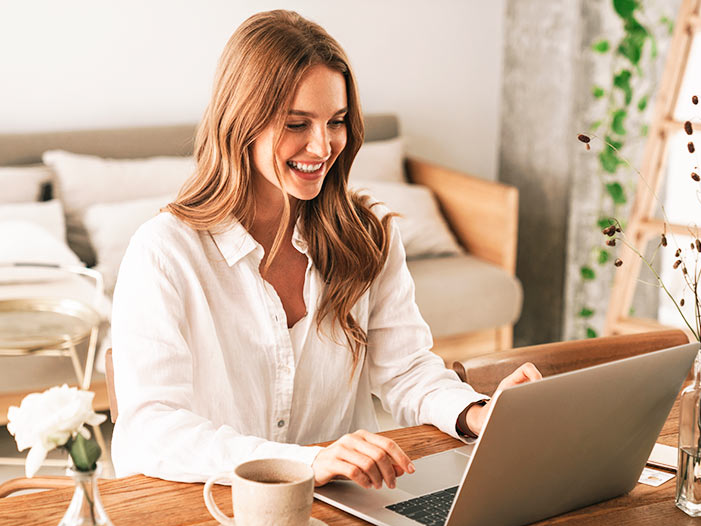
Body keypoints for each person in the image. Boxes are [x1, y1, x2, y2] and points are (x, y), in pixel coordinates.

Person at [110, 10, 540, 487]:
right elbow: (149, 429)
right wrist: (303, 462)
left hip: (348, 507)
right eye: (297, 123)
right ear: (241, 121)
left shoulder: (368, 234)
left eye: (335, 121)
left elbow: (404, 369)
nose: (322, 147)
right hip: (211, 508)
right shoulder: (166, 252)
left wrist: (476, 412)